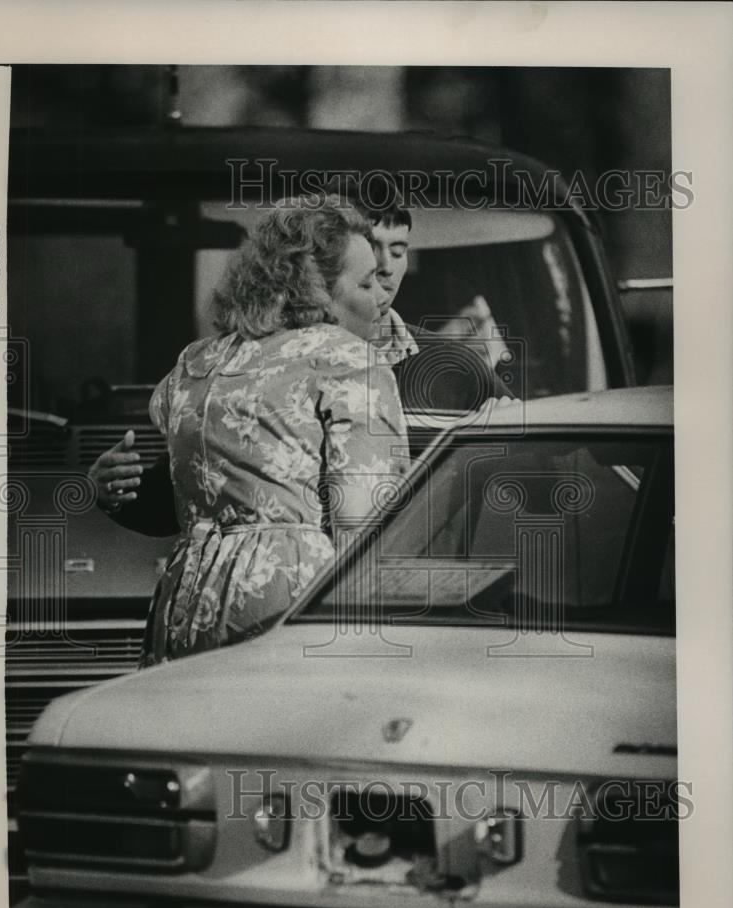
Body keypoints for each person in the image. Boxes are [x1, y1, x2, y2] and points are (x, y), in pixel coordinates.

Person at [91, 177, 513, 535]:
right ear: (319, 264)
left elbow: (536, 478)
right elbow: (205, 491)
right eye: (370, 248)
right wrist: (118, 493)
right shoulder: (256, 368)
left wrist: (501, 450)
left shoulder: (457, 369)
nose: (384, 267)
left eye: (398, 250)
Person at [137, 199, 408, 665]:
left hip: (188, 595)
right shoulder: (347, 359)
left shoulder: (197, 361)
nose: (380, 296)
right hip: (290, 596)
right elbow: (362, 525)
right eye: (365, 282)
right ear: (316, 289)